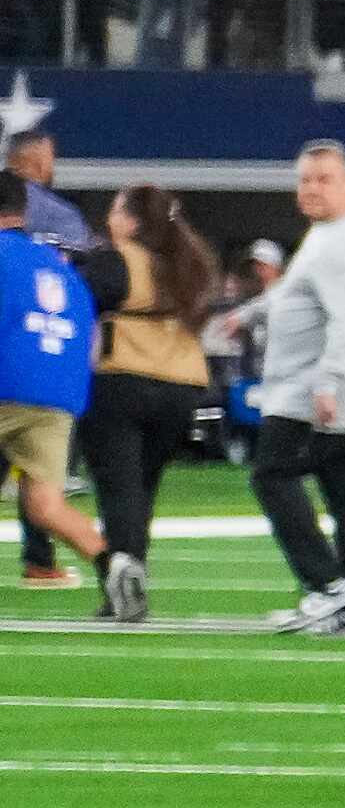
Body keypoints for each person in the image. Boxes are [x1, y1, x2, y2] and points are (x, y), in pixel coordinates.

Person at [250, 142, 345, 636]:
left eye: (324, 178)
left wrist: (329, 381)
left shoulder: (338, 241)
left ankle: (329, 585)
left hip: (321, 393)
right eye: (305, 179)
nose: (311, 188)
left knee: (272, 475)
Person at [75, 184, 217, 619]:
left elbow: (77, 302)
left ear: (134, 221)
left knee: (118, 488)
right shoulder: (190, 264)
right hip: (179, 388)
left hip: (121, 381)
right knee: (143, 488)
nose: (109, 220)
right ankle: (131, 574)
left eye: (117, 211)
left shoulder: (114, 259)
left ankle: (122, 578)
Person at [0, 169, 129, 616]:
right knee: (46, 504)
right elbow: (89, 335)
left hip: (7, 383)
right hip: (59, 394)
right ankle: (112, 563)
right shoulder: (59, 267)